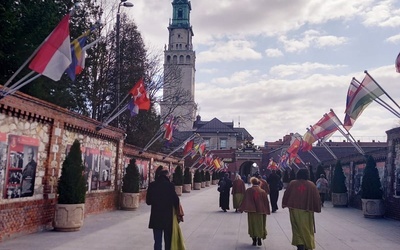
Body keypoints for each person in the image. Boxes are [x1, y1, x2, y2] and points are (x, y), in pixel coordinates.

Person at [282, 168, 321, 250]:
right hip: (307, 210)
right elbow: (317, 197)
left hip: (294, 209)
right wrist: (316, 207)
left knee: (296, 227)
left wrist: (285, 203)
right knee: (307, 227)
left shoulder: (293, 183)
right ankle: (308, 244)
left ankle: (300, 244)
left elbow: (287, 193)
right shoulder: (311, 185)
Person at [146, 166, 180, 250]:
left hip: (156, 217)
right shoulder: (170, 185)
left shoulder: (152, 185)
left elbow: (148, 201)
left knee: (157, 241)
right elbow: (176, 200)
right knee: (168, 240)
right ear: (167, 175)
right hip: (168, 218)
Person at [239, 177, 270, 246]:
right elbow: (266, 202)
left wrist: (241, 208)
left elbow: (245, 200)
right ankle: (259, 238)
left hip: (252, 211)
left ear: (252, 182)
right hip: (261, 211)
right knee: (260, 224)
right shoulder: (262, 191)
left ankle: (254, 239)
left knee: (252, 224)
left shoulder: (249, 190)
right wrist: (267, 210)